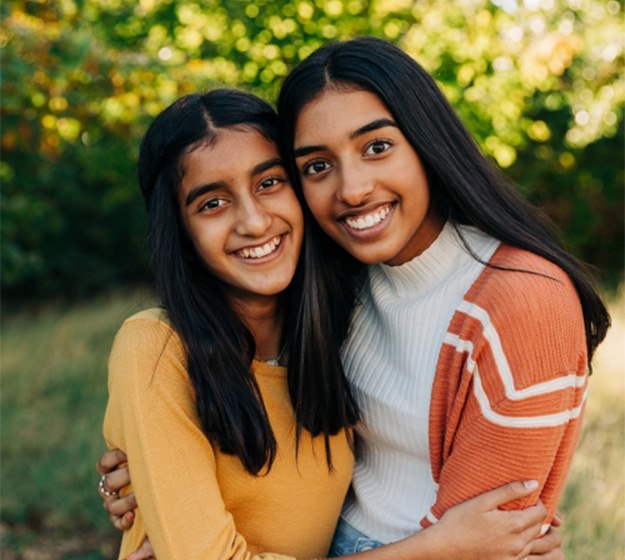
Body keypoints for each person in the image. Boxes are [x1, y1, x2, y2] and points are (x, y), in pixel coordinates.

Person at [99, 86, 563, 560]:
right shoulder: (156, 346)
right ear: (179, 230)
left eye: (269, 183)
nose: (254, 222)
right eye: (212, 204)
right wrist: (440, 547)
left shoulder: (333, 330)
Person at [275, 36, 610, 552]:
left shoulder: (525, 301)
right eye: (317, 165)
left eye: (377, 147)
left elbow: (484, 543)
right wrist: (151, 468)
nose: (352, 189)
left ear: (427, 143)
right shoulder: (331, 282)